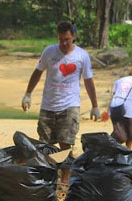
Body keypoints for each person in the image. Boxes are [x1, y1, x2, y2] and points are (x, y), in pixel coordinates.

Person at [21, 21, 100, 184]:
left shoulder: (82, 56)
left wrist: (95, 106)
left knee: (66, 144)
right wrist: (28, 94)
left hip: (70, 105)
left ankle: (64, 180)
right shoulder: (49, 52)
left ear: (74, 37)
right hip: (48, 105)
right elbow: (37, 72)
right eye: (61, 40)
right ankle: (47, 179)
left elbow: (89, 81)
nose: (64, 43)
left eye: (67, 40)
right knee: (44, 145)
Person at [109, 65, 132, 148]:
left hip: (115, 107)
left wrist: (108, 110)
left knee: (120, 135)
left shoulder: (119, 80)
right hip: (128, 109)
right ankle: (126, 151)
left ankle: (120, 151)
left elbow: (114, 95)